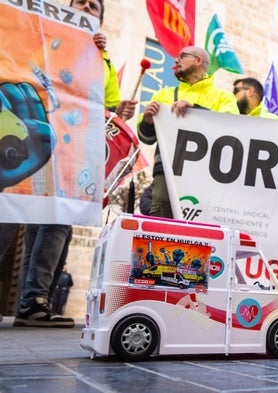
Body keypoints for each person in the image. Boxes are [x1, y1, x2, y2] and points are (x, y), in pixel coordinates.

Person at [14, 0, 136, 328]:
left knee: (55, 220)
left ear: (99, 19)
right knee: (9, 212)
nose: (84, 7)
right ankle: (32, 301)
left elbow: (108, 105)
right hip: (27, 136)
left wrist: (119, 108)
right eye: (78, 2)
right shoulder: (37, 34)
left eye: (92, 5)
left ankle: (34, 303)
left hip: (71, 150)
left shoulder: (103, 60)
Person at [138, 46, 239, 218]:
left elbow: (230, 126)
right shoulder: (162, 94)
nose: (176, 60)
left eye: (182, 56)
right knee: (162, 213)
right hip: (167, 169)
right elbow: (146, 138)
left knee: (202, 219)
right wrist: (148, 120)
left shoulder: (224, 97)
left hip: (207, 171)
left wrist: (196, 110)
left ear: (199, 60)